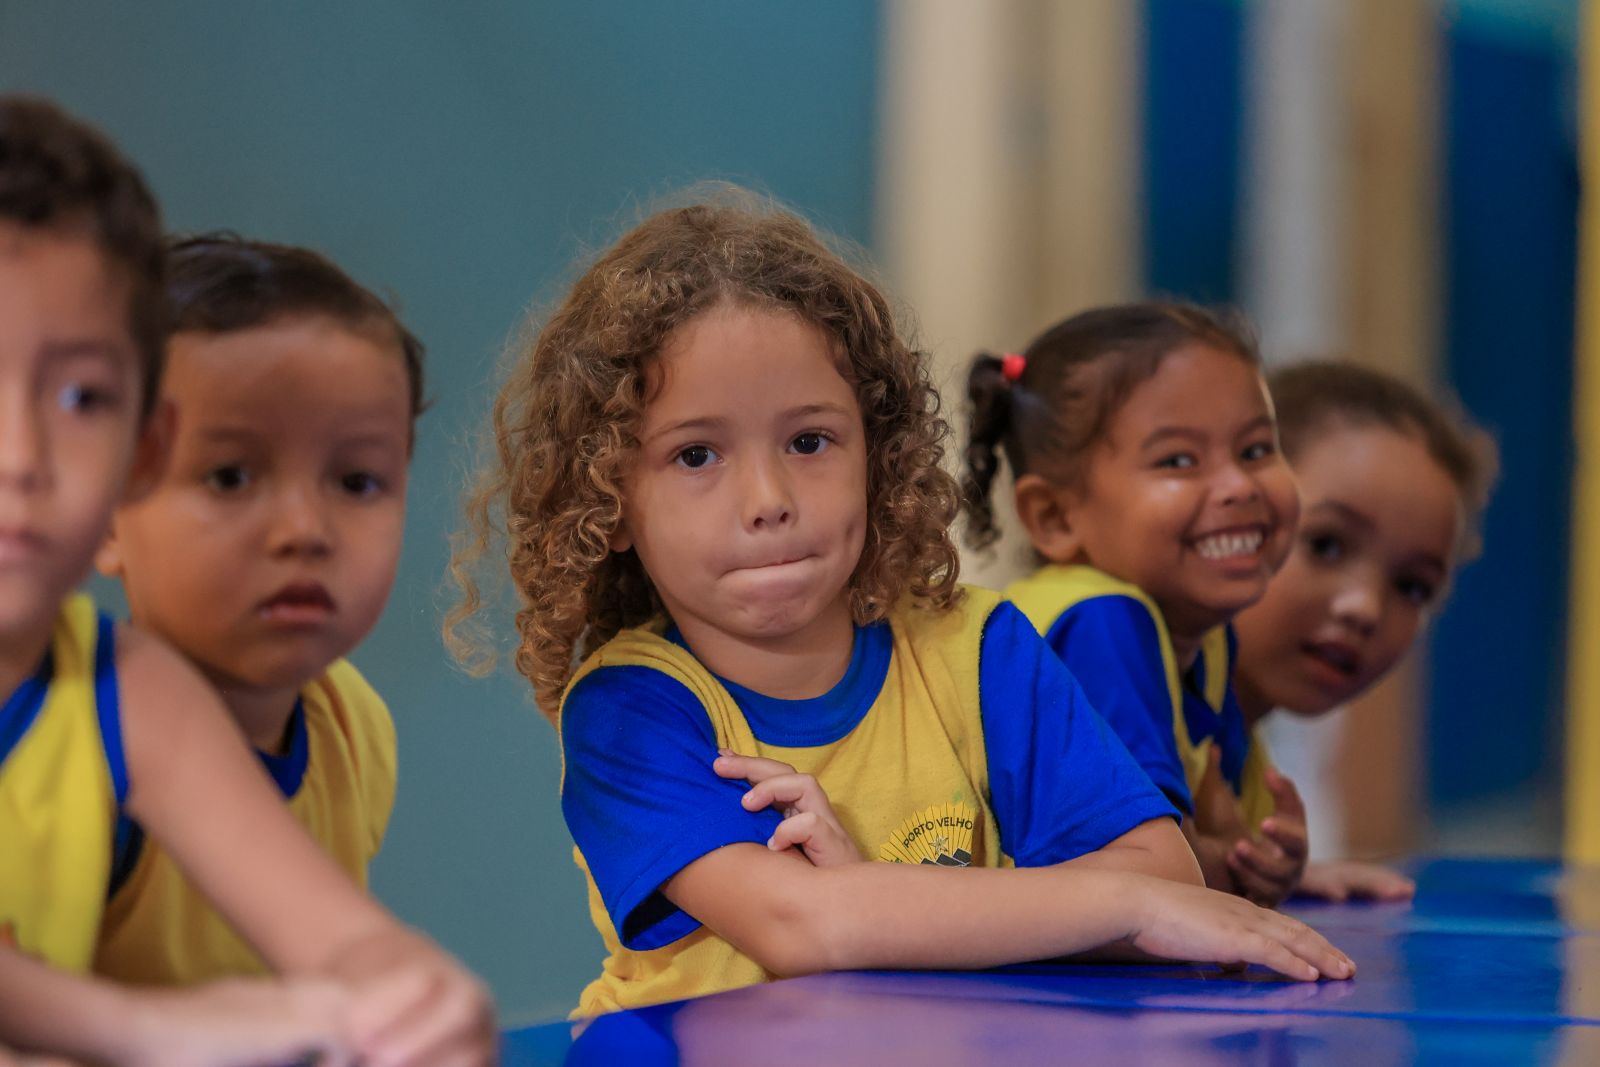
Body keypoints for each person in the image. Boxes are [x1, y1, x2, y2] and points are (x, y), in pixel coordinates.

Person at [447, 194, 1352, 1015]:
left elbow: (1161, 869)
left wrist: (894, 896)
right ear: (607, 501)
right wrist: (1114, 904)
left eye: (810, 440)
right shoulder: (633, 709)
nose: (767, 496)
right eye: (696, 455)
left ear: (876, 455)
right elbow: (805, 926)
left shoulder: (982, 647)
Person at [0, 95, 493, 1066]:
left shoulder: (131, 693)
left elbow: (345, 942)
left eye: (80, 397)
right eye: (233, 477)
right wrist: (156, 1030)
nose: (23, 454)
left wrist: (414, 1000)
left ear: (138, 455)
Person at [94, 234, 418, 983]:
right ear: (107, 518)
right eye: (232, 476)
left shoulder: (353, 728)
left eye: (358, 480)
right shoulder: (73, 752)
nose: (305, 528)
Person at [965, 303, 1307, 905]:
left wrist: (1270, 861)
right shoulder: (1101, 621)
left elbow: (1226, 842)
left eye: (1256, 449)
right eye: (1179, 461)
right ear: (1055, 515)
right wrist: (1226, 865)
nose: (1239, 486)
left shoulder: (1207, 639)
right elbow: (1149, 877)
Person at [1232, 359, 1496, 901]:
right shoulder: (1100, 652)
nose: (1365, 608)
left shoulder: (1231, 757)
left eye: (1412, 586)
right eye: (1326, 545)